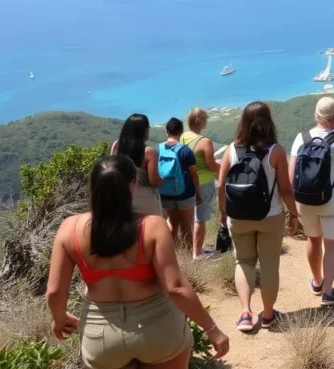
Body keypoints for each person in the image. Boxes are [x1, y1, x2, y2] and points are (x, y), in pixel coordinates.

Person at [46, 155, 229, 369]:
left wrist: (59, 319)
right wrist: (212, 329)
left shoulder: (69, 229)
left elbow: (54, 292)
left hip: (102, 335)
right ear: (133, 186)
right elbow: (176, 288)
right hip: (158, 327)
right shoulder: (153, 226)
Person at [217, 101, 299, 332]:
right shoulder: (276, 151)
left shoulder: (231, 150)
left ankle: (245, 313)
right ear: (268, 123)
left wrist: (223, 214)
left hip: (238, 217)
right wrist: (294, 215)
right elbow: (285, 189)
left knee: (243, 262)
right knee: (270, 264)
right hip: (270, 216)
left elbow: (221, 185)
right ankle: (269, 315)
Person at [289, 97, 334, 306]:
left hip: (304, 200)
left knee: (313, 240)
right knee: (332, 244)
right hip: (331, 199)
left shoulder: (301, 138)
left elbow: (292, 174)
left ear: (316, 115)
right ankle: (328, 292)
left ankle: (317, 282)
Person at [181, 108, 221, 260]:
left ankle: (188, 250)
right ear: (202, 121)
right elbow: (211, 166)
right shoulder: (205, 142)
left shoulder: (184, 137)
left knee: (189, 219)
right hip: (204, 183)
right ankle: (197, 253)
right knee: (200, 219)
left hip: (187, 182)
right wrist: (224, 166)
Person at [159, 118, 201, 248]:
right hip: (185, 193)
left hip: (165, 192)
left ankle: (172, 254)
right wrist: (198, 193)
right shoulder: (185, 151)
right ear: (181, 132)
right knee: (186, 227)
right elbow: (193, 174)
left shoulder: (158, 149)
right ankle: (187, 258)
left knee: (172, 223)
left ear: (167, 132)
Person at [112, 114, 163, 217]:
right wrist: (163, 179)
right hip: (145, 199)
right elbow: (155, 183)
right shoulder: (149, 152)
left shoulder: (116, 146)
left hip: (122, 197)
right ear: (144, 131)